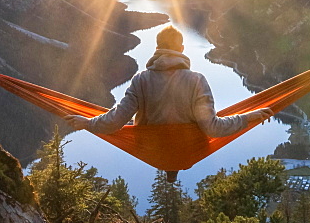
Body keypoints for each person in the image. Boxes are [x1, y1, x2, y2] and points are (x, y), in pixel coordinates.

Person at [65, 25, 273, 138]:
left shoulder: (140, 81)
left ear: (157, 49)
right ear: (181, 49)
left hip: (150, 148)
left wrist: (88, 123)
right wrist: (249, 117)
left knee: (132, 127)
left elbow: (115, 121)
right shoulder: (197, 81)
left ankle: (169, 170)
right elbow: (213, 129)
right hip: (189, 148)